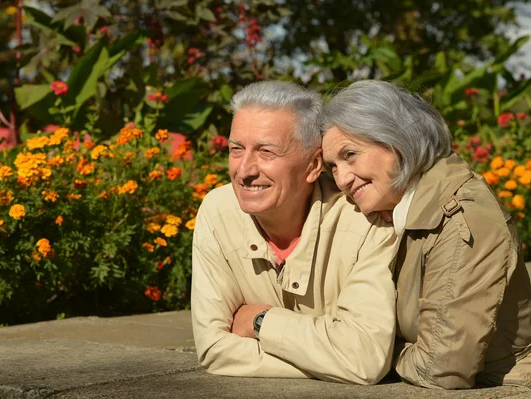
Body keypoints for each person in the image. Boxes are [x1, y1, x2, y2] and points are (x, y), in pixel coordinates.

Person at [320, 79, 531, 389]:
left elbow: (440, 369)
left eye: (350, 155)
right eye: (332, 166)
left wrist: (368, 351)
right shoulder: (399, 207)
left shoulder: (463, 217)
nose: (342, 179)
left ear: (396, 140)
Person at [190, 80, 398, 384]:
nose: (244, 170)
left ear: (313, 165)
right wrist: (330, 359)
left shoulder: (363, 220)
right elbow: (213, 350)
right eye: (236, 150)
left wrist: (261, 322)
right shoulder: (218, 211)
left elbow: (364, 359)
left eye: (266, 151)